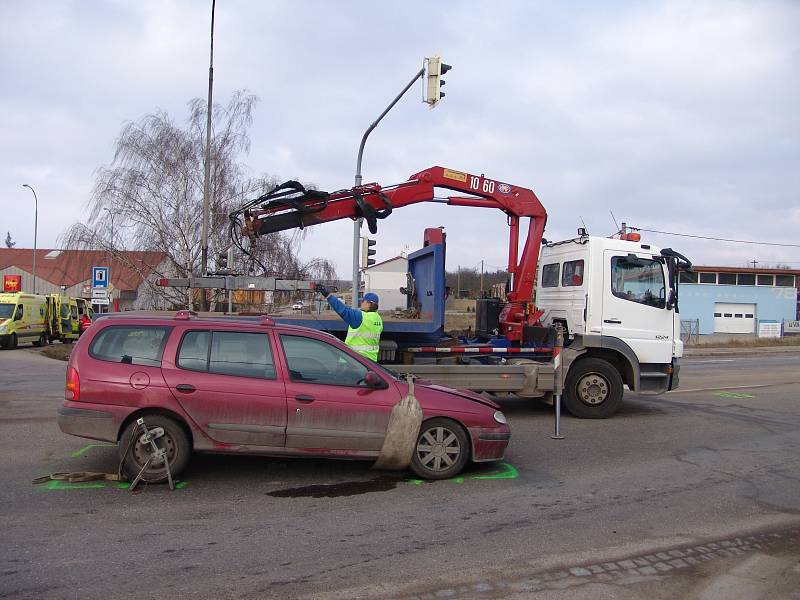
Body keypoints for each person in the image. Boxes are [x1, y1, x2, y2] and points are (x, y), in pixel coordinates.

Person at [314, 285, 383, 361]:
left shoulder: (360, 317)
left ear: (368, 304)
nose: (361, 303)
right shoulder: (378, 319)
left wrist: (327, 295)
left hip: (354, 361)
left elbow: (342, 309)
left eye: (363, 301)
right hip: (371, 362)